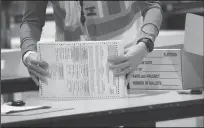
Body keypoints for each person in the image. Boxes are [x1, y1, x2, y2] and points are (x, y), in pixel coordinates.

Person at [20, 1, 162, 86]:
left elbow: (151, 6)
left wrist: (144, 45)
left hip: (128, 65)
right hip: (73, 73)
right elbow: (32, 20)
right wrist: (28, 52)